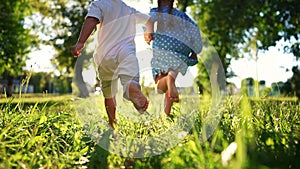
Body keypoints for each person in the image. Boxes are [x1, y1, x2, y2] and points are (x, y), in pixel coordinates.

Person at [71, 0, 155, 129]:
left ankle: (112, 123)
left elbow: (91, 20)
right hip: (126, 52)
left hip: (105, 56)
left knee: (109, 93)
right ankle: (131, 87)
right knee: (130, 78)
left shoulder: (99, 4)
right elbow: (149, 20)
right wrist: (148, 32)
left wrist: (81, 42)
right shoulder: (129, 10)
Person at [145, 0, 202, 116]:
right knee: (173, 69)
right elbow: (194, 29)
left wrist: (149, 32)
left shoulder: (156, 12)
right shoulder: (182, 15)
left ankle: (168, 79)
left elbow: (149, 21)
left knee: (160, 87)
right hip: (179, 48)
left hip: (163, 47)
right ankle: (166, 114)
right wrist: (195, 50)